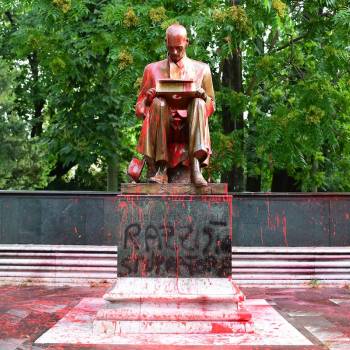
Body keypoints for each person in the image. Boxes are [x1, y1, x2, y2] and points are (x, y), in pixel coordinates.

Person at [135, 24, 215, 187]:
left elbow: (211, 106)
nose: (175, 52)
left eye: (179, 48)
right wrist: (148, 100)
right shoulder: (151, 69)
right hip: (162, 124)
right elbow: (139, 108)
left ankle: (195, 167)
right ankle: (161, 169)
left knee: (199, 103)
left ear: (187, 42)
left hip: (190, 124)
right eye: (171, 48)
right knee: (158, 103)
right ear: (165, 42)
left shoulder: (202, 69)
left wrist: (204, 97)